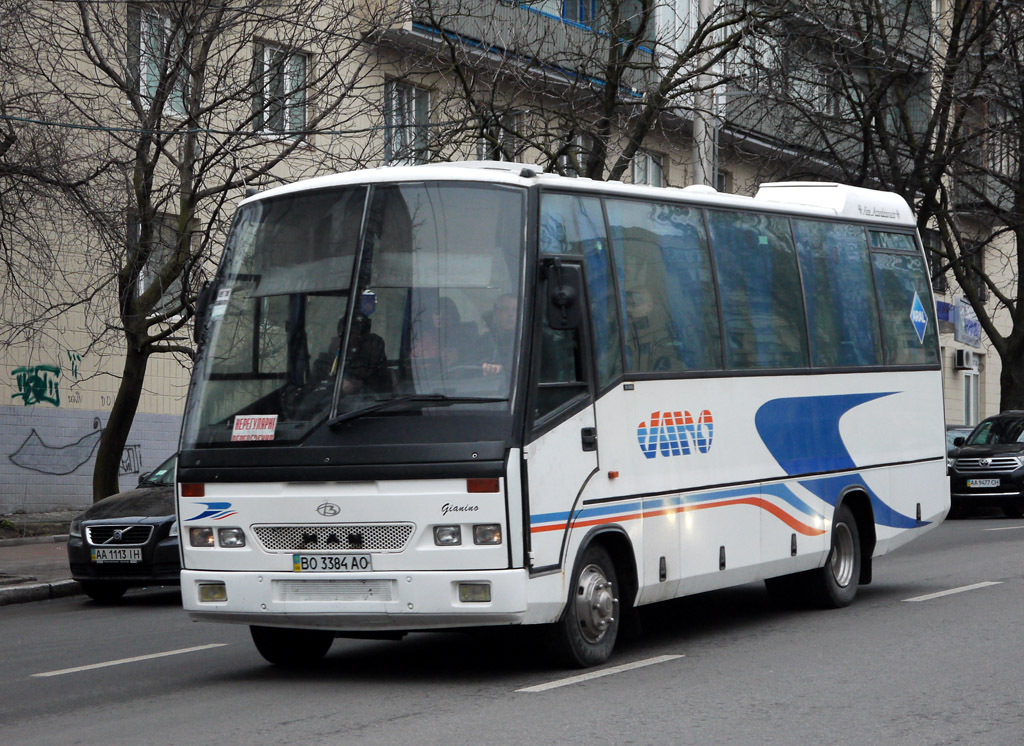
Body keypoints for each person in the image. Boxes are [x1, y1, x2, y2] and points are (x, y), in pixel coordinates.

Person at [327, 313, 391, 395]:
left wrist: (353, 386)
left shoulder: (369, 355)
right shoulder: (334, 354)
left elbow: (370, 382)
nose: (358, 337)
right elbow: (321, 380)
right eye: (352, 332)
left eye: (360, 333)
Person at [482, 293, 518, 376]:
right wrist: (484, 366)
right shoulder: (484, 340)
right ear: (496, 314)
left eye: (515, 310)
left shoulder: (529, 341)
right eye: (505, 309)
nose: (511, 314)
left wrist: (503, 369)